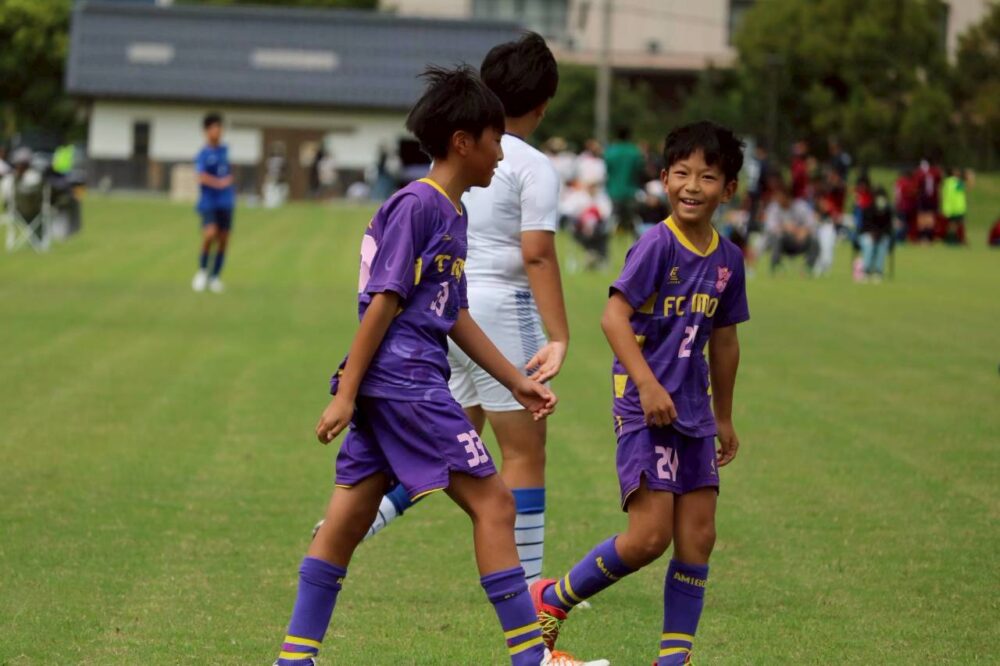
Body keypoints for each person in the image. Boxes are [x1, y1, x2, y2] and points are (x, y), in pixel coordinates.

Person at [273, 65, 573, 666]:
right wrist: (346, 391)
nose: (500, 154)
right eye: (494, 141)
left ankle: (294, 659)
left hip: (397, 382)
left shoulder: (452, 211)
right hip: (406, 382)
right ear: (463, 142)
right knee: (495, 504)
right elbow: (383, 301)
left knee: (348, 519)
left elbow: (452, 313)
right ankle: (530, 659)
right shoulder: (419, 206)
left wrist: (516, 380)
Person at [351, 32, 572, 594]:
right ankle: (529, 587)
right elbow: (537, 252)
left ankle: (364, 517)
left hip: (442, 310)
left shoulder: (454, 157)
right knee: (523, 451)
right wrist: (559, 334)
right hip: (495, 310)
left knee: (457, 432)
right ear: (543, 104)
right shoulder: (530, 164)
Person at [529, 121, 749, 665]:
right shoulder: (657, 244)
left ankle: (674, 658)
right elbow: (613, 317)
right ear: (664, 178)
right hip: (643, 407)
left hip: (693, 410)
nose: (692, 186)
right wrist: (647, 385)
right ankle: (553, 598)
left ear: (729, 189)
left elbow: (724, 341)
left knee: (698, 537)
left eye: (707, 177)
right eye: (681, 173)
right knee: (650, 537)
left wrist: (723, 416)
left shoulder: (729, 260)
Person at [191, 113, 235, 293]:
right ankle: (202, 271)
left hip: (226, 201)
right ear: (206, 131)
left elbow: (227, 172)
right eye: (214, 128)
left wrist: (227, 182)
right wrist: (218, 182)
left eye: (219, 128)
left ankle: (215, 277)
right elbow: (200, 176)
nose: (217, 131)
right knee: (210, 234)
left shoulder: (225, 150)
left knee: (223, 239)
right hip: (209, 201)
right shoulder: (203, 153)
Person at [764, 184, 819, 274]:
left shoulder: (800, 206)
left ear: (788, 197)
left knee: (814, 240)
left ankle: (808, 267)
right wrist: (785, 227)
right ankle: (776, 266)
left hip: (800, 240)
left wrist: (803, 230)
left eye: (780, 197)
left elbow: (812, 223)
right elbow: (770, 227)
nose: (778, 200)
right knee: (777, 237)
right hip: (784, 241)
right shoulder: (774, 208)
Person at [605, 126, 645, 237]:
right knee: (633, 217)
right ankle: (639, 239)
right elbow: (639, 170)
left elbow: (606, 170)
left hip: (614, 190)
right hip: (630, 190)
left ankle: (607, 238)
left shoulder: (610, 151)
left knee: (613, 216)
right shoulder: (634, 151)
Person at [857, 186, 893, 282]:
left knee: (882, 244)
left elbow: (889, 228)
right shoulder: (868, 209)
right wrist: (871, 233)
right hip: (867, 235)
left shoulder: (888, 211)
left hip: (882, 236)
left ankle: (878, 271)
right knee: (869, 244)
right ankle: (866, 270)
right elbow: (864, 227)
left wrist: (880, 234)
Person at [940, 167, 968, 245]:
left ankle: (952, 239)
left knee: (952, 225)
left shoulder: (947, 182)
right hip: (957, 208)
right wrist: (970, 178)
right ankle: (954, 239)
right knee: (957, 225)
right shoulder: (956, 182)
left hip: (949, 208)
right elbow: (968, 187)